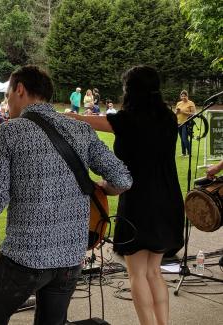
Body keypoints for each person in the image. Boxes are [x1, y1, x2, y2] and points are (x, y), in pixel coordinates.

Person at [0, 65, 132, 325]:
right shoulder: (80, 129)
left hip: (24, 258)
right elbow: (123, 180)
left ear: (21, 89)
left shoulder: (8, 132)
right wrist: (101, 188)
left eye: (7, 96)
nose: (7, 103)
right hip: (70, 259)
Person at [67, 65, 184, 325]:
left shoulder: (126, 119)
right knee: (154, 271)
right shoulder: (168, 117)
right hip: (168, 199)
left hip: (139, 201)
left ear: (131, 90)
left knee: (137, 275)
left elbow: (91, 122)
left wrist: (65, 115)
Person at [175, 90, 196, 157]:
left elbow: (193, 114)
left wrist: (183, 112)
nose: (183, 97)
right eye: (182, 96)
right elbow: (176, 113)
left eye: (185, 96)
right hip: (178, 123)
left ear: (187, 96)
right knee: (181, 139)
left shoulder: (191, 103)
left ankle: (189, 153)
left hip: (186, 123)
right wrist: (177, 112)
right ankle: (183, 153)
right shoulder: (178, 103)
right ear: (180, 96)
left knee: (185, 138)